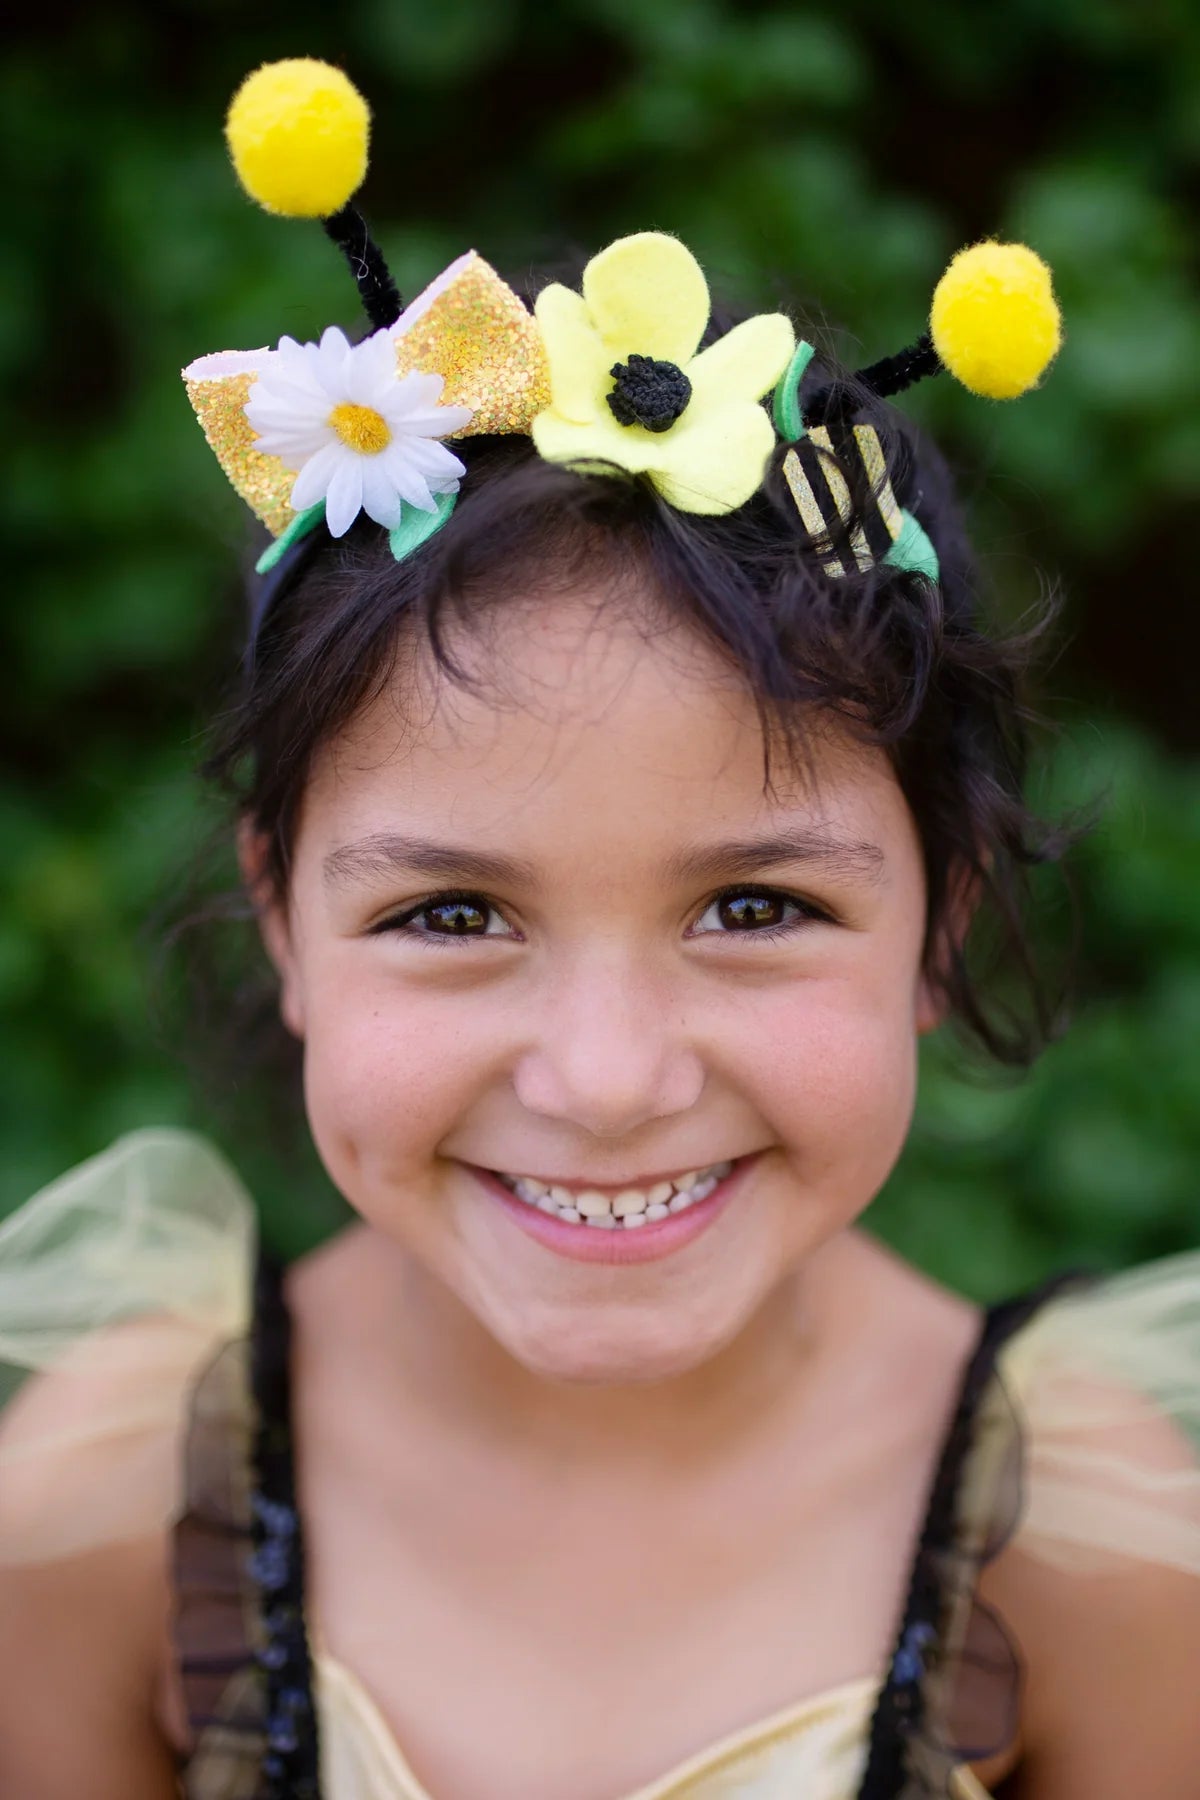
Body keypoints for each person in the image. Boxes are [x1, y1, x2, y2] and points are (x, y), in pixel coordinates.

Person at [0, 56, 1197, 1800]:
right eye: (454, 911)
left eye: (757, 905)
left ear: (942, 921)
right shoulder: (108, 1510)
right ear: (283, 922)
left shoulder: (1087, 1552)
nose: (611, 1079)